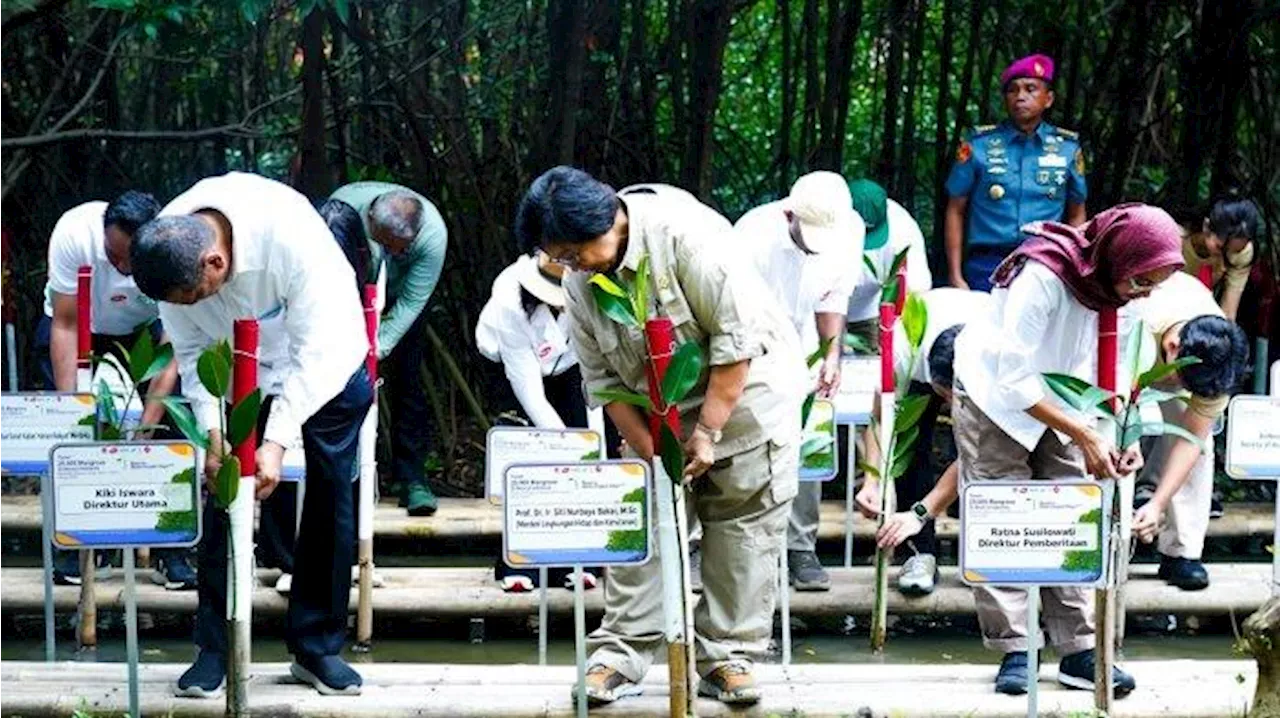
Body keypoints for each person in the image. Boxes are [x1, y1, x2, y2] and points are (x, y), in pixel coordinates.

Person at [515, 167, 807, 707]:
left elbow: (735, 341)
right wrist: (654, 454)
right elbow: (603, 380)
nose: (568, 267)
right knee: (644, 522)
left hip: (746, 401)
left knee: (742, 529)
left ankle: (727, 655)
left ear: (604, 225)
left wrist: (708, 431)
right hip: (654, 417)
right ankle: (621, 650)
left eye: (573, 254)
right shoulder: (580, 283)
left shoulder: (686, 238)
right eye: (560, 259)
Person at [130, 172, 373, 697]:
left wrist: (277, 439)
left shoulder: (293, 237)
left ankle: (316, 647)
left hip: (323, 360)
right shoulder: (169, 253)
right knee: (224, 491)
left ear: (215, 263)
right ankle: (213, 648)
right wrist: (214, 437)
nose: (188, 304)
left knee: (331, 491)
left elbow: (320, 352)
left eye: (194, 295)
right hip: (231, 366)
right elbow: (192, 356)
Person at [950, 203, 1186, 697]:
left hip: (1066, 398)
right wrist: (1082, 434)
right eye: (1142, 281)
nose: (1144, 293)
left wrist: (1126, 435)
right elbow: (1012, 377)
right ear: (1119, 258)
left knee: (1074, 507)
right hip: (993, 394)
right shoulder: (1041, 276)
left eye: (1153, 284)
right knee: (1002, 507)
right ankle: (1017, 648)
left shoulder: (1126, 289)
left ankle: (1078, 649)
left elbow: (1120, 365)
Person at [35, 191, 195, 590]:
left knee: (174, 428)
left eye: (131, 260)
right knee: (69, 438)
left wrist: (148, 424)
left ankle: (171, 552)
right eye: (114, 255)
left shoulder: (171, 247)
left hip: (145, 335)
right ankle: (75, 549)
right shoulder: (74, 233)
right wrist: (72, 410)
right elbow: (66, 325)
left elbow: (174, 343)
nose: (122, 266)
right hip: (78, 327)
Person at [734, 171, 863, 592]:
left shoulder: (850, 228)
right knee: (740, 446)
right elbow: (735, 312)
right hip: (751, 347)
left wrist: (831, 353)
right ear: (788, 213)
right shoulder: (752, 234)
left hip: (805, 344)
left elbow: (834, 295)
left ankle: (800, 547)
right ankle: (716, 547)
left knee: (810, 439)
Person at [258, 198, 375, 595]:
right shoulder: (287, 263)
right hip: (280, 366)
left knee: (336, 473)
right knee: (279, 461)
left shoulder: (359, 278)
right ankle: (283, 556)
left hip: (338, 371)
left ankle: (332, 563)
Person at [475, 249, 602, 592]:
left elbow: (596, 378)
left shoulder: (593, 292)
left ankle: (578, 562)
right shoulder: (509, 301)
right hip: (509, 367)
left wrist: (592, 446)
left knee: (586, 460)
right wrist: (568, 447)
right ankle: (519, 565)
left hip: (570, 367)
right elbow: (530, 391)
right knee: (530, 461)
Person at [854, 288, 990, 595]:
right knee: (909, 445)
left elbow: (976, 452)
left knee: (995, 456)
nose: (951, 405)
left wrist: (923, 510)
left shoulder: (996, 351)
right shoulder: (903, 356)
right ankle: (918, 554)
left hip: (982, 360)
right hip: (920, 349)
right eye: (947, 397)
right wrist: (872, 482)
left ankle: (984, 549)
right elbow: (880, 421)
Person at [330, 181, 447, 517]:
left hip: (400, 298)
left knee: (409, 382)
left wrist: (375, 349)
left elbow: (412, 300)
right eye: (388, 245)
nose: (395, 253)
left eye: (403, 248)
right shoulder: (344, 212)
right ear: (370, 222)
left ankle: (412, 478)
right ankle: (348, 478)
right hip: (350, 295)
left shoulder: (432, 236)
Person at [1127, 272, 1250, 590]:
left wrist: (1156, 503)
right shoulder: (1140, 321)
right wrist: (1126, 438)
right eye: (1183, 381)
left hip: (1176, 355)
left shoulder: (1218, 360)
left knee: (1202, 442)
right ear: (1172, 347)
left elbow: (1189, 439)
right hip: (1118, 355)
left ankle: (1181, 552)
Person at [944, 54, 1087, 292]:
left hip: (1045, 263)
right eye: (1013, 90)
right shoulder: (978, 145)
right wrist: (955, 276)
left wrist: (1073, 267)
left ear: (1048, 99)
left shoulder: (1067, 149)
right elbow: (955, 209)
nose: (1021, 96)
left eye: (1031, 89)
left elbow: (1077, 213)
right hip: (986, 264)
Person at [845, 179, 932, 348]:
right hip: (819, 307)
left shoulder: (903, 229)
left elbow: (916, 291)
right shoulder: (822, 217)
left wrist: (897, 334)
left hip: (870, 309)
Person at [1176, 195, 1259, 322]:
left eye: (1236, 251)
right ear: (1206, 226)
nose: (1227, 257)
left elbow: (1228, 312)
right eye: (1221, 248)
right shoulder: (1174, 236)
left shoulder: (1244, 252)